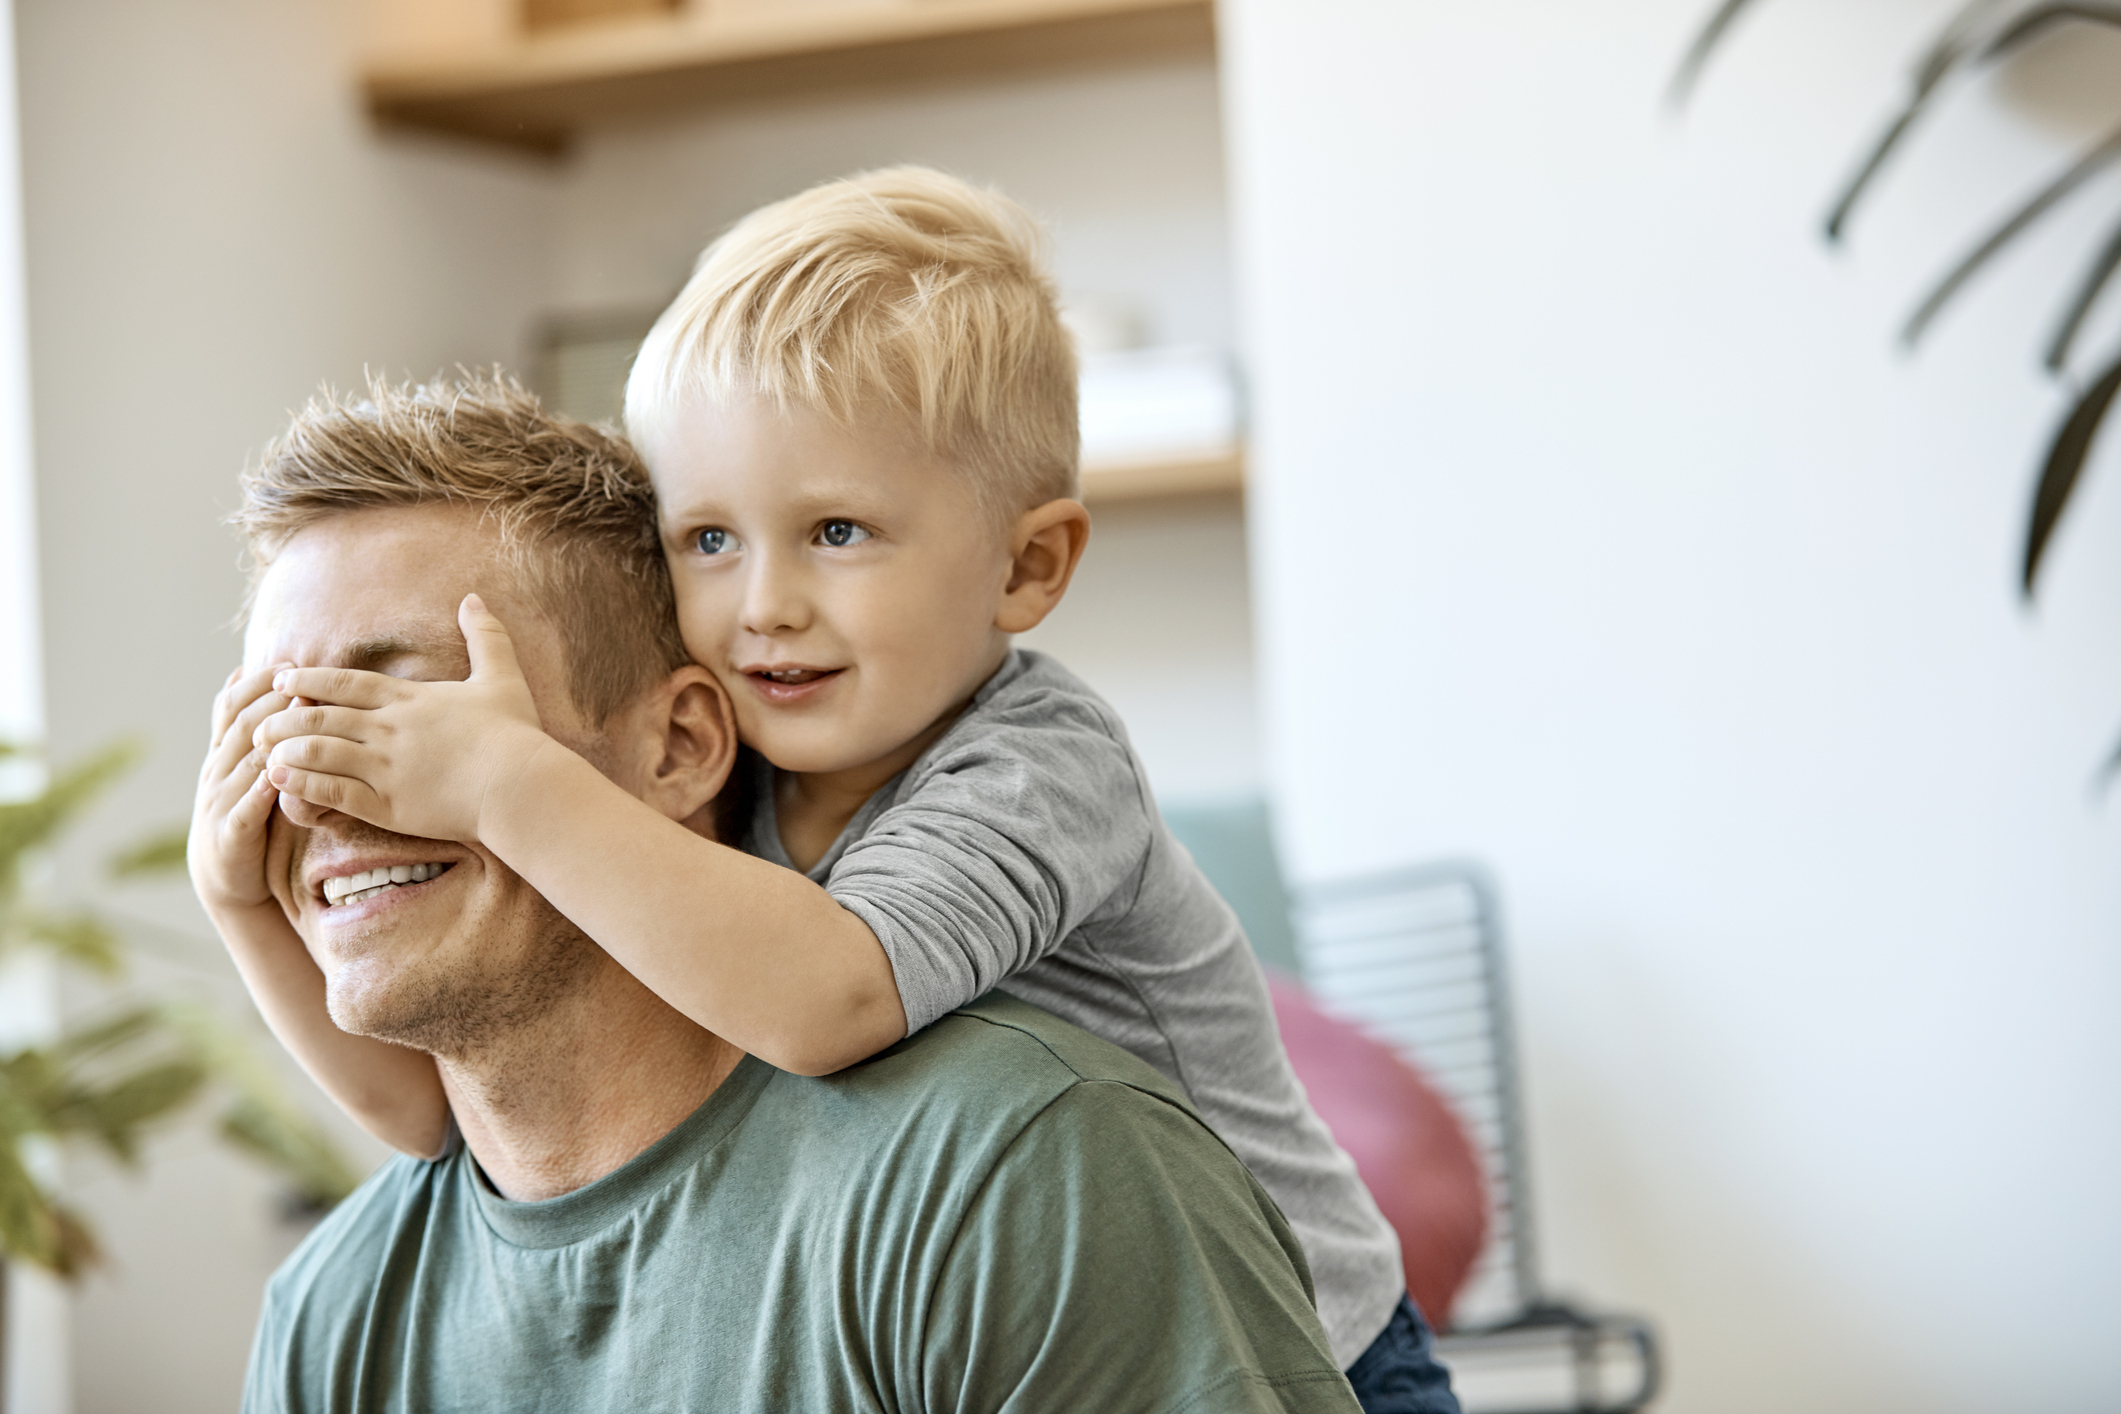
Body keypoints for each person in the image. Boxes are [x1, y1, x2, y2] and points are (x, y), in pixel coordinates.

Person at [242, 172, 1457, 1407]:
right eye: (709, 540)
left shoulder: (1039, 765)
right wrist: (243, 899)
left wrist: (506, 778)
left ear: (1028, 565)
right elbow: (426, 1114)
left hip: (1326, 1344)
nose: (763, 603)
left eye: (836, 532)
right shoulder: (767, 742)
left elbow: (827, 999)